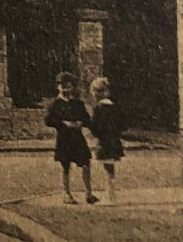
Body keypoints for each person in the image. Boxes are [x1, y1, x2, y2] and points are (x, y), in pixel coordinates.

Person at [44, 71, 98, 205]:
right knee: (65, 166)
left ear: (73, 87)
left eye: (68, 86)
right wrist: (63, 123)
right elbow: (48, 120)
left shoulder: (78, 103)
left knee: (86, 163)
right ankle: (67, 193)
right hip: (64, 138)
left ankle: (88, 193)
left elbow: (86, 118)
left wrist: (81, 123)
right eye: (63, 87)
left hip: (78, 138)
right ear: (58, 87)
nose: (66, 89)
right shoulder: (55, 104)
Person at [89, 77, 125, 204]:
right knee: (110, 168)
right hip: (114, 141)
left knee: (107, 169)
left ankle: (110, 196)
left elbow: (94, 127)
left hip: (104, 142)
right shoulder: (115, 107)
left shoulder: (97, 109)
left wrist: (97, 133)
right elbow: (123, 125)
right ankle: (111, 194)